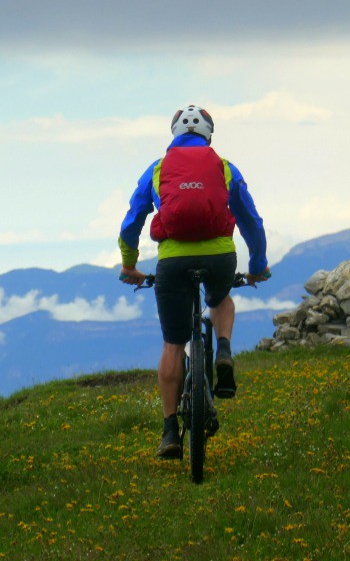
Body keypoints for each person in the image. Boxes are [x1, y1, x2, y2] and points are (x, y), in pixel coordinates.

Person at [118, 105, 270, 460]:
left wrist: (130, 265)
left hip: (172, 260)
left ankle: (170, 430)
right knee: (220, 299)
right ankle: (225, 350)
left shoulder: (157, 169)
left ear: (174, 135)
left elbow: (131, 222)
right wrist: (258, 265)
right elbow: (251, 221)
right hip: (219, 256)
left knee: (173, 344)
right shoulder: (224, 167)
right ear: (209, 136)